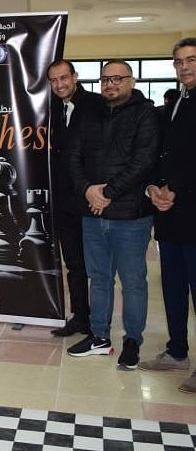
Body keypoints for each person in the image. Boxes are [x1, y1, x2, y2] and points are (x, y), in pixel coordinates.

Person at [67, 60, 159, 369]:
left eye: (118, 78)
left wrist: (106, 193)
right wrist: (87, 190)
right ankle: (99, 337)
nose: (110, 84)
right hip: (92, 214)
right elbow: (73, 157)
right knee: (99, 278)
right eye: (105, 79)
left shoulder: (145, 113)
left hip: (131, 217)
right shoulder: (88, 114)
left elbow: (143, 161)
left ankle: (132, 341)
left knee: (132, 282)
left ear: (132, 81)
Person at [138, 38, 196, 393]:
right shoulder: (176, 103)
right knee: (173, 288)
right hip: (169, 215)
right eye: (178, 61)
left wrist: (174, 187)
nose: (184, 66)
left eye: (191, 59)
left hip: (191, 211)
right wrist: (153, 188)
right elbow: (164, 154)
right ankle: (177, 352)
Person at [47, 59, 100, 337]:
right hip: (64, 203)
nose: (60, 85)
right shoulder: (53, 109)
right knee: (74, 264)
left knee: (99, 268)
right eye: (54, 80)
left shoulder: (96, 105)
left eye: (64, 78)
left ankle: (100, 324)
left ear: (75, 76)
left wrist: (98, 191)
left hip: (92, 200)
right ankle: (81, 318)